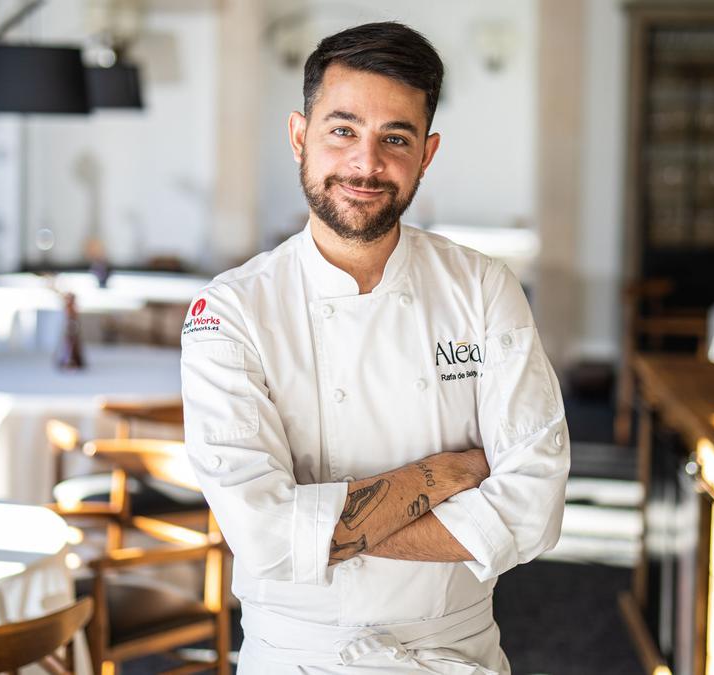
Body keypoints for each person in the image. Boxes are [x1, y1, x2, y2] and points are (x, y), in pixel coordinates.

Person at [180, 21, 570, 673]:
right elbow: (261, 535)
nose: (366, 163)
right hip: (299, 657)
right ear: (300, 137)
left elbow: (534, 508)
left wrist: (315, 523)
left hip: (454, 651)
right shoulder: (232, 310)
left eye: (395, 138)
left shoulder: (482, 287)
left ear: (427, 153)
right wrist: (443, 474)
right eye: (343, 130)